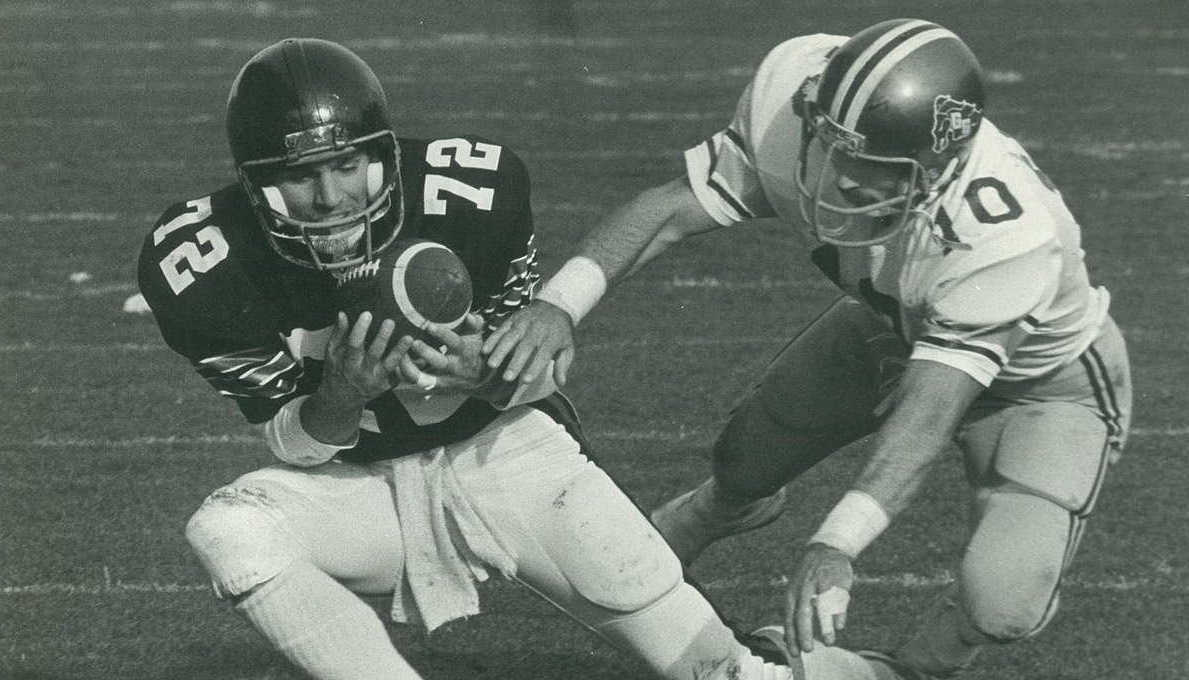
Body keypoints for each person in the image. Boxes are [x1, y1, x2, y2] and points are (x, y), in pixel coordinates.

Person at [484, 18, 1132, 680]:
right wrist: (557, 305)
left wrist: (835, 544)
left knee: (1003, 601)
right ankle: (719, 509)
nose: (840, 179)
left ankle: (914, 667)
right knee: (743, 459)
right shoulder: (795, 98)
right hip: (891, 325)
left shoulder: (1004, 235)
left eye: (868, 166)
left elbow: (930, 413)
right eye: (832, 146)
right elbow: (671, 209)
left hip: (1042, 386)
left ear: (938, 168)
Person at [136, 38, 798, 680]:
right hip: (362, 493)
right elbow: (293, 442)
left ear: (385, 155)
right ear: (255, 187)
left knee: (728, 670)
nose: (332, 197)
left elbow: (534, 376)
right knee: (230, 531)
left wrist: (485, 374)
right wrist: (338, 395)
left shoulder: (474, 193)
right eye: (302, 176)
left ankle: (776, 653)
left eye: (346, 166)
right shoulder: (201, 266)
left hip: (506, 456)